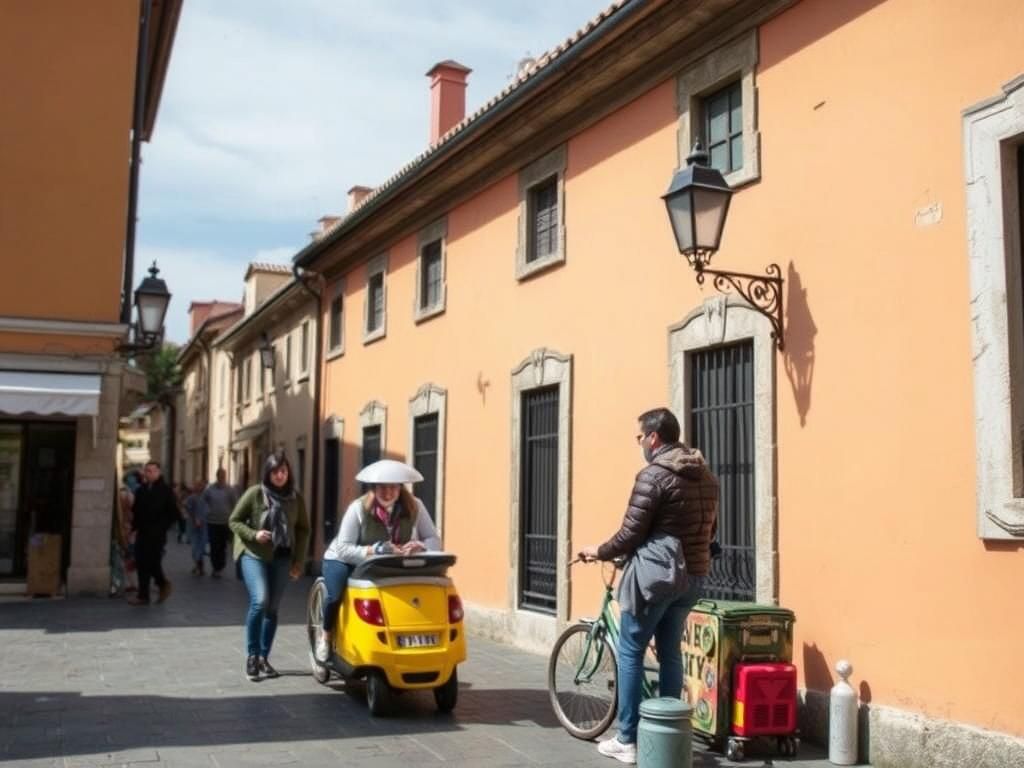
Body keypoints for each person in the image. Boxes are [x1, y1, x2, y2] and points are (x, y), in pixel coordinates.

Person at [579, 408, 719, 765]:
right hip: (694, 576)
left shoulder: (653, 475)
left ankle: (627, 738)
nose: (640, 443)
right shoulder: (705, 475)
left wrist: (598, 551)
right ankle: (670, 732)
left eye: (640, 437)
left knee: (630, 650)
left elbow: (630, 533)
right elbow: (709, 529)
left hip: (657, 580)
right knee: (671, 652)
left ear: (654, 437)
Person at [315, 459, 441, 664]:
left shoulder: (415, 506)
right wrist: (374, 549)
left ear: (400, 488)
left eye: (393, 487)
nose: (388, 492)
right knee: (336, 594)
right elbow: (344, 548)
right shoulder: (358, 508)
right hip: (343, 559)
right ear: (373, 488)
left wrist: (421, 546)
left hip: (384, 562)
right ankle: (326, 636)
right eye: (382, 487)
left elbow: (434, 539)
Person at [229, 451, 310, 682]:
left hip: (282, 557)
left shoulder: (295, 498)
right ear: (268, 472)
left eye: (283, 471)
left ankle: (264, 658)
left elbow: (304, 529)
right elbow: (233, 520)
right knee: (260, 600)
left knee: (272, 608)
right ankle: (252, 656)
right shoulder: (255, 493)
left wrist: (299, 562)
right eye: (275, 471)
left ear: (288, 473)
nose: (279, 475)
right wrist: (254, 534)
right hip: (254, 554)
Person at [127, 461, 179, 606]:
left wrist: (162, 527)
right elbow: (136, 512)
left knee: (152, 561)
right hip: (142, 532)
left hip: (157, 534)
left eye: (152, 471)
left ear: (158, 472)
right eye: (147, 471)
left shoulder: (165, 491)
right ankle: (143, 595)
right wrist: (133, 530)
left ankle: (162, 583)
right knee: (141, 561)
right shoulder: (141, 490)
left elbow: (173, 514)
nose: (149, 474)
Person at [202, 468, 237, 578]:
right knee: (214, 545)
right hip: (212, 521)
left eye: (223, 475)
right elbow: (203, 501)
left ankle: (220, 566)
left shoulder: (230, 490)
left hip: (225, 522)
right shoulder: (210, 489)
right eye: (220, 475)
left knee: (222, 546)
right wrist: (206, 512)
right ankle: (215, 567)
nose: (222, 477)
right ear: (217, 476)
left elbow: (235, 504)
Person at [184, 479, 209, 575]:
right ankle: (198, 565)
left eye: (201, 485)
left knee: (202, 546)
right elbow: (186, 505)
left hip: (204, 525)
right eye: (197, 485)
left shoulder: (206, 497)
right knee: (195, 547)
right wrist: (194, 517)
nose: (199, 487)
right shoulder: (192, 498)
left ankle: (199, 566)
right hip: (194, 525)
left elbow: (208, 508)